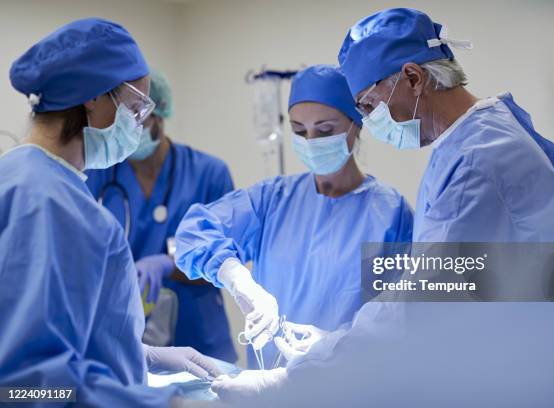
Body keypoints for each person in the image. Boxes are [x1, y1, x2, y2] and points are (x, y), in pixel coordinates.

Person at [210, 9, 554, 406]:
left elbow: (423, 304)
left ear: (414, 78)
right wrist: (332, 344)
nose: (370, 120)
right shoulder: (481, 136)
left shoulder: (475, 163)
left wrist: (295, 377)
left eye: (368, 106)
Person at [0, 18, 220, 407]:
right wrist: (163, 404)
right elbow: (25, 386)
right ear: (94, 97)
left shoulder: (18, 177)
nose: (138, 126)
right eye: (136, 108)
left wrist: (140, 357)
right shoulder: (54, 206)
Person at [175, 64, 414, 368]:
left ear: (357, 123)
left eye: (325, 130)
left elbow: (401, 316)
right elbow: (194, 232)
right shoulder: (271, 200)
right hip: (270, 389)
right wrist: (236, 278)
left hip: (354, 386)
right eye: (299, 131)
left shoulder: (390, 215)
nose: (311, 140)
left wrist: (336, 345)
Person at [86, 71, 237, 363]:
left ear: (160, 113)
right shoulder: (97, 174)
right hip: (125, 340)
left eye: (139, 119)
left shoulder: (208, 173)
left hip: (200, 338)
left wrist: (170, 264)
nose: (132, 130)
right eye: (123, 122)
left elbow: (228, 260)